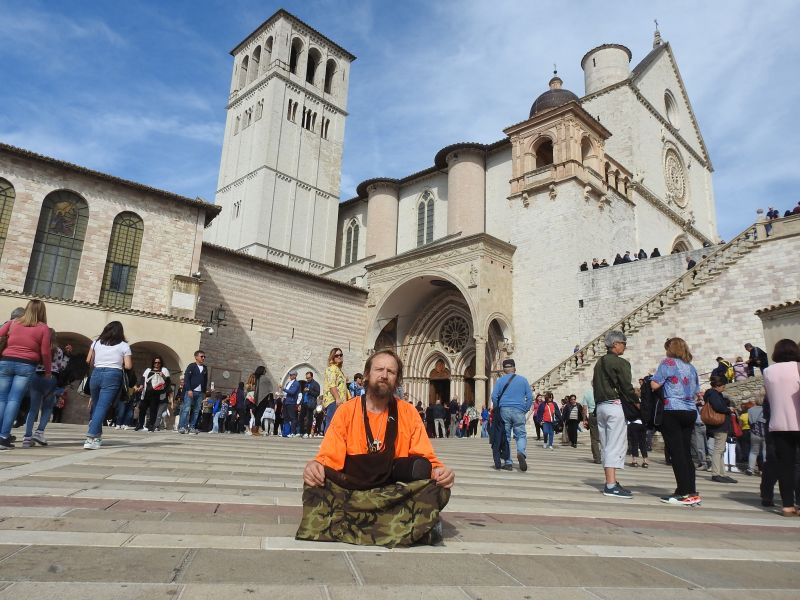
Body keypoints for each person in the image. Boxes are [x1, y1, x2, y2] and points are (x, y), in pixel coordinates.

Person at [297, 349, 454, 547]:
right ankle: (412, 529)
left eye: (391, 371)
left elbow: (425, 458)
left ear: (397, 380)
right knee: (315, 484)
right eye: (379, 369)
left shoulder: (408, 412)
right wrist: (315, 466)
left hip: (392, 494)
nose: (384, 375)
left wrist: (441, 471)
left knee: (438, 488)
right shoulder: (346, 411)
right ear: (366, 375)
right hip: (352, 490)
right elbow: (328, 457)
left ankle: (348, 526)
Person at [651, 338, 702, 504]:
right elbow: (696, 390)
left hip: (672, 409)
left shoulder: (668, 363)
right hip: (690, 410)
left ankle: (684, 492)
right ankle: (690, 490)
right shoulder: (691, 367)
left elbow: (655, 385)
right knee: (686, 452)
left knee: (676, 452)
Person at [592, 330, 637, 499]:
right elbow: (626, 386)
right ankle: (610, 485)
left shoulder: (599, 362)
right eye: (623, 343)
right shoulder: (621, 363)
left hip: (601, 406)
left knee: (606, 445)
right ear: (615, 344)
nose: (625, 346)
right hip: (614, 405)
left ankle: (611, 481)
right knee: (615, 445)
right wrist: (635, 400)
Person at [0, 302, 51, 450]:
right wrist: (47, 371)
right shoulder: (43, 328)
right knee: (14, 400)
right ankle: (3, 437)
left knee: (2, 399)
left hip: (6, 361)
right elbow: (45, 352)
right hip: (26, 365)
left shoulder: (13, 322)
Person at [761, 339, 800, 516]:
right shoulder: (797, 367)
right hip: (798, 422)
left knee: (785, 465)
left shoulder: (768, 371)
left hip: (778, 424)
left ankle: (787, 505)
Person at [84, 321, 132, 450]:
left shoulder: (95, 343)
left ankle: (97, 437)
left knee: (96, 404)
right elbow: (128, 366)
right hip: (113, 374)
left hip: (96, 373)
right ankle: (90, 436)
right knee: (102, 406)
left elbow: (89, 360)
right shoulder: (124, 346)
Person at [22, 328, 67, 448]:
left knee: (33, 409)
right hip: (51, 378)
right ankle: (39, 432)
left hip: (36, 376)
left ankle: (27, 438)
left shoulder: (37, 348)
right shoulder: (58, 351)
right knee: (47, 407)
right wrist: (67, 357)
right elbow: (61, 366)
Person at [491, 358, 532, 472]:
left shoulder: (500, 381)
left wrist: (497, 408)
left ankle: (508, 462)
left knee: (506, 437)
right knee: (521, 435)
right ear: (514, 368)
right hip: (519, 410)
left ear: (504, 370)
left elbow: (494, 397)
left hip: (504, 410)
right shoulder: (523, 380)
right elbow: (530, 397)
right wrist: (525, 409)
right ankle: (521, 452)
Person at [704, 374, 737, 484]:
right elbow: (718, 407)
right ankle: (716, 473)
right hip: (720, 425)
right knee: (718, 450)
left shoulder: (712, 394)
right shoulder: (714, 394)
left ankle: (722, 473)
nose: (724, 388)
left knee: (721, 449)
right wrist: (728, 409)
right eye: (723, 386)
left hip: (719, 425)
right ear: (717, 385)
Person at [178, 350, 208, 434]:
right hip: (191, 391)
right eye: (201, 356)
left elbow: (205, 380)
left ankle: (192, 427)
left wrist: (204, 392)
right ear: (196, 357)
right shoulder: (191, 366)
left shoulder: (205, 368)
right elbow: (187, 379)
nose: (203, 358)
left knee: (196, 410)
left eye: (204, 357)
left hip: (200, 392)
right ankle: (182, 427)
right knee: (186, 409)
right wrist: (189, 389)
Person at [138, 356, 171, 432]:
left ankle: (151, 426)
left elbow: (168, 382)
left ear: (161, 363)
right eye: (155, 362)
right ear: (153, 363)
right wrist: (141, 386)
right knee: (142, 409)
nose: (157, 364)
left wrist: (162, 375)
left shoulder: (164, 370)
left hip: (157, 394)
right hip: (146, 392)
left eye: (158, 362)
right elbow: (143, 379)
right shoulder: (148, 370)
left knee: (153, 411)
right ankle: (140, 425)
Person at [323, 348, 347, 433]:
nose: (339, 357)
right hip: (333, 400)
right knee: (331, 423)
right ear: (332, 357)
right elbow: (332, 385)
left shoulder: (339, 370)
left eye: (341, 355)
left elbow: (344, 388)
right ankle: (326, 445)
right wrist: (337, 398)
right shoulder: (332, 368)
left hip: (340, 401)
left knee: (338, 424)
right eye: (336, 355)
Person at [747, 396, 766, 476]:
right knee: (765, 451)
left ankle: (750, 469)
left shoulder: (750, 410)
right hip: (765, 431)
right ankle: (766, 469)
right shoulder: (766, 408)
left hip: (754, 431)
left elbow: (749, 422)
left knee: (753, 451)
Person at [581, 387, 601, 463]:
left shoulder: (587, 393)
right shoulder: (603, 392)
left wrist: (584, 419)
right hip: (602, 414)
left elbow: (584, 408)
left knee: (594, 438)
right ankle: (604, 456)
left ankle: (597, 458)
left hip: (592, 415)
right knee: (604, 436)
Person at [300, 371, 320, 438]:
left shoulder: (315, 384)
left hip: (310, 403)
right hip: (304, 403)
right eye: (306, 378)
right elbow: (303, 394)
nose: (307, 379)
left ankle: (307, 432)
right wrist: (300, 403)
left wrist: (309, 390)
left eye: (309, 378)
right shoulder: (306, 384)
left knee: (309, 418)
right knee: (301, 418)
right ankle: (301, 432)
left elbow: (317, 393)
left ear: (312, 377)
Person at [282, 372, 300, 436]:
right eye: (290, 375)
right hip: (286, 401)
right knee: (285, 417)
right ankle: (286, 432)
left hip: (291, 402)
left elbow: (292, 392)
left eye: (291, 375)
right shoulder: (288, 383)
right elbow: (286, 393)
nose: (290, 376)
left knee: (292, 417)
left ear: (295, 376)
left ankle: (293, 432)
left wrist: (284, 389)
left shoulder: (296, 383)